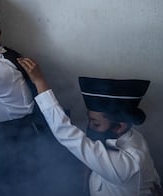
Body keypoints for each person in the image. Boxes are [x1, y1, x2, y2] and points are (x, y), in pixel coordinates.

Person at [17, 57, 161, 195]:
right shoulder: (132, 136)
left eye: (96, 124)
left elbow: (66, 133)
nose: (90, 127)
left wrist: (40, 82)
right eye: (90, 120)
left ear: (120, 126)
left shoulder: (129, 165)